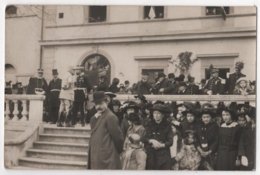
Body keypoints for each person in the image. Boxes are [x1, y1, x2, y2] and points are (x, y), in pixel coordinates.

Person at [88, 91, 124, 170]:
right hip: (96, 155)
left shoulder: (111, 117)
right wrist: (94, 117)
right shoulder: (97, 115)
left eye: (101, 103)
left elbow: (118, 138)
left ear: (106, 102)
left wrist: (118, 151)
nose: (98, 106)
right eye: (96, 104)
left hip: (107, 157)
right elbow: (93, 128)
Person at [143, 104, 173, 170]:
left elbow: (170, 142)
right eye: (154, 113)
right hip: (151, 153)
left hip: (163, 154)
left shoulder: (167, 125)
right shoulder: (149, 124)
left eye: (158, 113)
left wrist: (161, 145)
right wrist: (152, 141)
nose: (156, 115)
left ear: (163, 115)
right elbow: (143, 138)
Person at [196, 103, 219, 170]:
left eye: (208, 117)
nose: (206, 119)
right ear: (201, 118)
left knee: (210, 168)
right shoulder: (199, 126)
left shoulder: (215, 126)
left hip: (211, 153)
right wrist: (200, 150)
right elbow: (196, 139)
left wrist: (209, 151)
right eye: (204, 117)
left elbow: (216, 140)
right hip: (200, 152)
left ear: (211, 117)